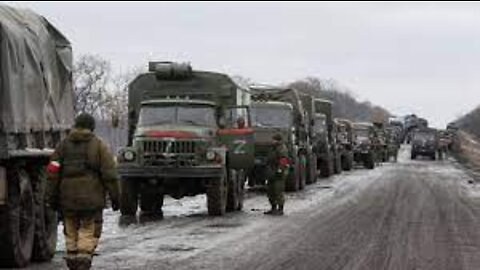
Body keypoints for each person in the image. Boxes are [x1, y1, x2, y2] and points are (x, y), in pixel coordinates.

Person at [46, 113, 120, 270]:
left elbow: (52, 172)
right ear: (91, 127)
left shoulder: (62, 146)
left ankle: (72, 257)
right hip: (91, 197)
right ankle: (84, 258)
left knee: (70, 225)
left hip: (67, 197)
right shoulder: (99, 146)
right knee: (88, 226)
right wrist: (116, 197)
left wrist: (50, 197)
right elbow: (110, 175)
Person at [265, 134, 289, 216]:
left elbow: (283, 160)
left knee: (278, 191)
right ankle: (273, 208)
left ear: (278, 140)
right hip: (272, 172)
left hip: (279, 173)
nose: (272, 141)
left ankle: (280, 209)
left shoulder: (282, 148)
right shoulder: (272, 148)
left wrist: (280, 170)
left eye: (274, 140)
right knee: (270, 191)